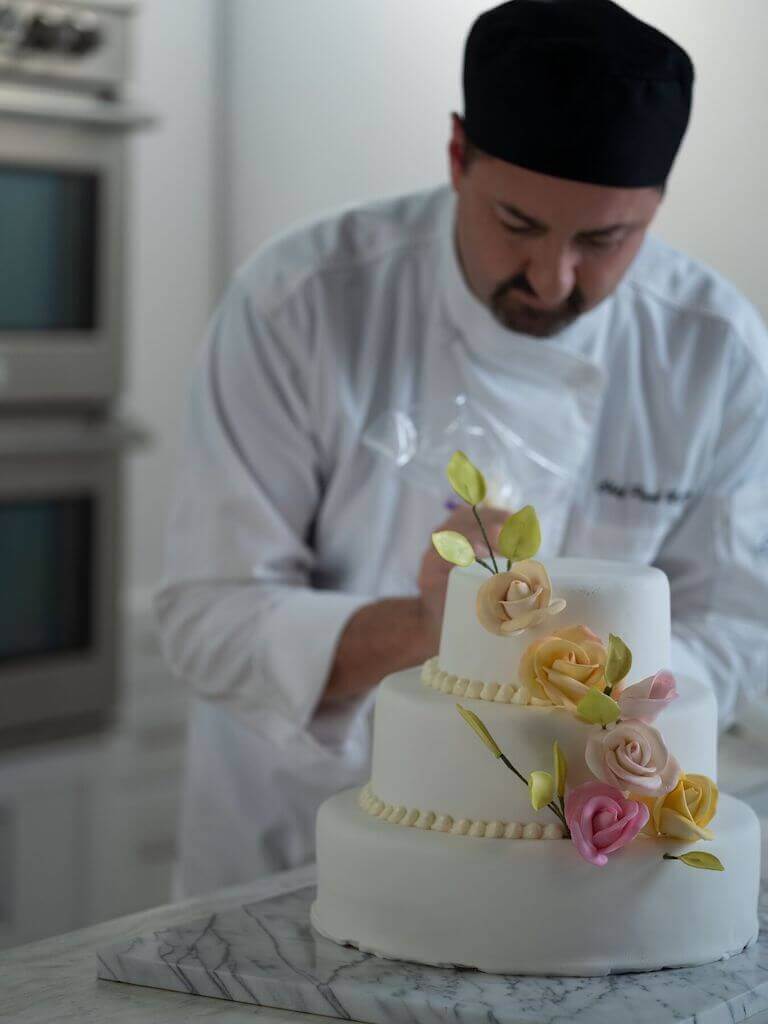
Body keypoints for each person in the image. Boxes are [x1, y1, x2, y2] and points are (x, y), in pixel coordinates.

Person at [155, 0, 768, 897]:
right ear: (456, 157)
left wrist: (594, 664)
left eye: (605, 240)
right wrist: (436, 633)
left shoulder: (711, 350)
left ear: (655, 208)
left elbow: (743, 630)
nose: (553, 279)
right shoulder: (303, 304)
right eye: (517, 224)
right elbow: (203, 616)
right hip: (292, 857)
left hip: (578, 885)